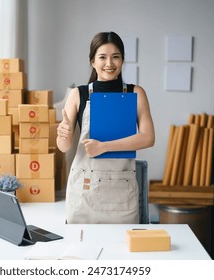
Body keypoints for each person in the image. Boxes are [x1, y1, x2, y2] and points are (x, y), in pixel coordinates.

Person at [57, 31, 155, 224]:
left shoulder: (136, 93)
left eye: (115, 57)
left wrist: (104, 147)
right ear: (93, 61)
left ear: (123, 60)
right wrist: (64, 133)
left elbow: (148, 138)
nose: (109, 63)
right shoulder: (79, 94)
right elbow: (64, 147)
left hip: (122, 194)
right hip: (84, 192)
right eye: (102, 57)